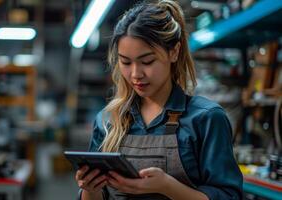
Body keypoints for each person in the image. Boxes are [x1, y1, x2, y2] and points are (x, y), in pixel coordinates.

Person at [74, 0, 243, 199]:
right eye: (125, 62)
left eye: (147, 61)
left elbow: (229, 196)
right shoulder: (108, 120)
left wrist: (167, 186)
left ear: (174, 51)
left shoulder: (206, 119)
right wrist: (89, 189)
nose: (136, 74)